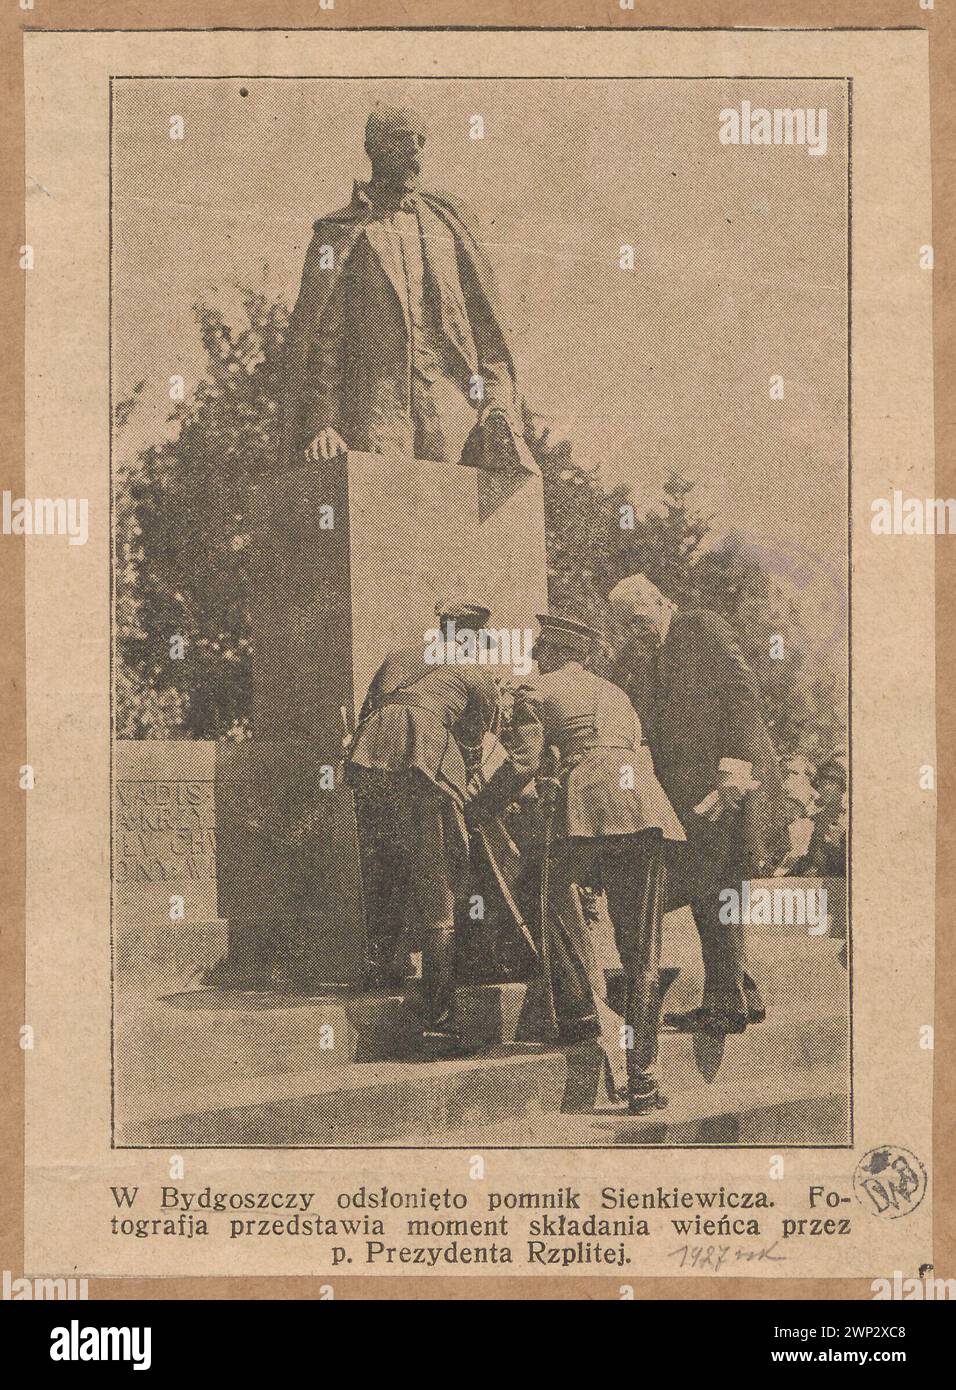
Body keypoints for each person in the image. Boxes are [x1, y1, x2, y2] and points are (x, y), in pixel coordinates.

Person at [468, 612, 686, 1115]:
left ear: (550, 652)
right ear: (584, 656)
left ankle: (579, 1011)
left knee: (540, 891)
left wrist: (478, 809)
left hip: (587, 808)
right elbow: (639, 756)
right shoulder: (617, 694)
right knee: (642, 952)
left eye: (540, 648)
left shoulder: (534, 692)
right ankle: (644, 1080)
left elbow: (522, 763)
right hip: (643, 807)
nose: (536, 656)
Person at [280, 103, 534, 472]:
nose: (415, 149)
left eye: (421, 141)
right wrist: (322, 424)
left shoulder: (450, 226)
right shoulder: (341, 233)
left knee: (457, 525)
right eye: (402, 139)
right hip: (373, 421)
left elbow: (488, 332)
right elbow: (323, 337)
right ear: (373, 147)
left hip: (452, 418)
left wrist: (497, 403)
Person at [608, 574, 785, 1037]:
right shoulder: (649, 660)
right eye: (626, 626)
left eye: (638, 621)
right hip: (691, 801)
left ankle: (727, 1003)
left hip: (727, 787)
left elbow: (740, 692)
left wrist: (738, 765)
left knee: (713, 885)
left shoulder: (700, 628)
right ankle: (738, 994)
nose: (634, 633)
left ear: (661, 604)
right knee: (715, 885)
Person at [345, 600, 504, 1055]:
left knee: (383, 862)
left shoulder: (398, 656)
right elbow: (476, 741)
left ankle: (383, 967)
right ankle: (438, 1012)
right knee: (435, 881)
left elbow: (367, 710)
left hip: (370, 755)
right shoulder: (473, 672)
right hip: (420, 761)